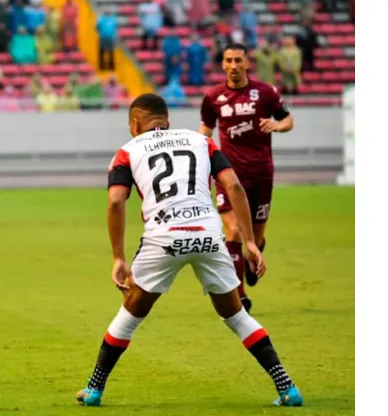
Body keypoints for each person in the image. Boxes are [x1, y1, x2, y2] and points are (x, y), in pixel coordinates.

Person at [76, 93, 303, 408]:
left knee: (130, 312)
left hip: (163, 238)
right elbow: (234, 186)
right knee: (236, 314)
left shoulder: (126, 152)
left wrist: (118, 257)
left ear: (134, 124)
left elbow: (116, 201)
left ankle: (93, 389)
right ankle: (287, 387)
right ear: (167, 122)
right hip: (209, 234)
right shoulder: (201, 142)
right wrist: (249, 242)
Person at [199, 43, 294, 312]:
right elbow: (206, 128)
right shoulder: (213, 97)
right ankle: (239, 295)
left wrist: (277, 125)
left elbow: (288, 119)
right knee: (235, 230)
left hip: (261, 173)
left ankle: (253, 258)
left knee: (257, 235)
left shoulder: (265, 93)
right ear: (223, 64)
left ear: (246, 63)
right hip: (228, 174)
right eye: (228, 60)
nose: (233, 65)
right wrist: (197, 148)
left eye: (237, 60)